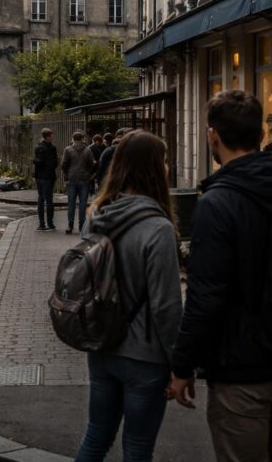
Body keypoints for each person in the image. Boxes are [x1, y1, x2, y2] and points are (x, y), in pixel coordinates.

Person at [170, 90, 272, 461]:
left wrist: (182, 365)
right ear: (261, 135)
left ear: (213, 135)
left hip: (242, 368)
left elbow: (206, 297)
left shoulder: (218, 202)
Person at [74, 130, 182, 462]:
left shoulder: (96, 216)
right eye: (164, 161)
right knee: (137, 447)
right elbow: (166, 306)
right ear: (153, 168)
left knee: (95, 436)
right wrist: (179, 364)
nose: (167, 167)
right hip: (144, 355)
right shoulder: (158, 227)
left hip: (102, 345)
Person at [62, 130, 96, 234]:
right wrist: (88, 174)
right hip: (84, 179)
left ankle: (70, 225)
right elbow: (92, 164)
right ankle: (82, 226)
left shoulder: (68, 150)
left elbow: (64, 164)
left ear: (73, 139)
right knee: (83, 204)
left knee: (71, 203)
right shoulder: (87, 150)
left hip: (71, 179)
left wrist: (67, 174)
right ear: (82, 139)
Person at [33, 128, 59, 231]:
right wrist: (51, 165)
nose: (52, 137)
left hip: (40, 176)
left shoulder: (39, 147)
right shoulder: (52, 148)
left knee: (41, 199)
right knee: (49, 200)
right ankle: (50, 223)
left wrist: (34, 161)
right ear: (47, 137)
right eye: (51, 136)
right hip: (49, 176)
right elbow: (55, 162)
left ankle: (42, 223)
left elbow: (39, 162)